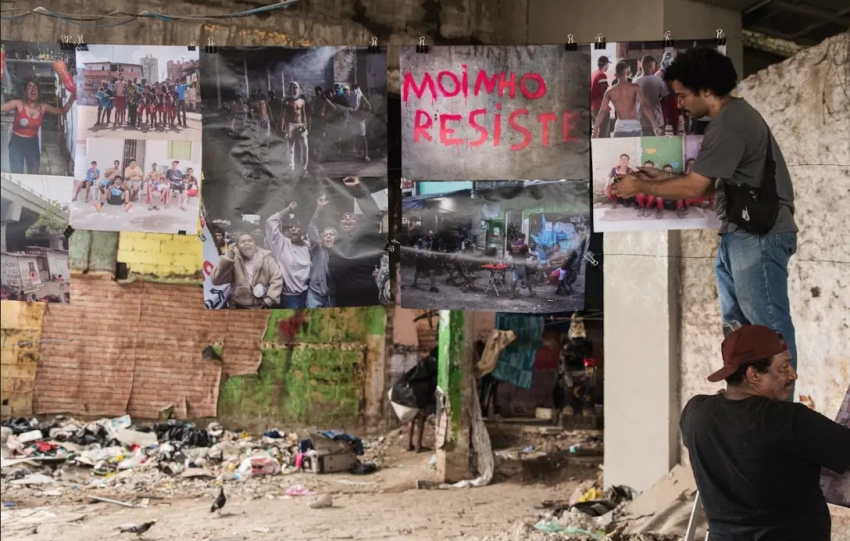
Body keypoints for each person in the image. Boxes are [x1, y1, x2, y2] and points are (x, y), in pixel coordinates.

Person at [611, 47, 799, 378]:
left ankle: (778, 417)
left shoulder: (730, 123)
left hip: (758, 236)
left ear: (707, 90)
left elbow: (695, 188)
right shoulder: (731, 120)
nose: (679, 103)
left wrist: (639, 187)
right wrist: (663, 178)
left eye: (682, 95)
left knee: (769, 332)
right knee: (741, 333)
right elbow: (714, 183)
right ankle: (749, 402)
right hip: (741, 234)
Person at [681, 324, 850, 541]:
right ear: (754, 375)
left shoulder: (695, 413)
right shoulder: (787, 420)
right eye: (784, 367)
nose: (794, 375)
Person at [328, 177, 384, 307]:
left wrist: (359, 189)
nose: (347, 219)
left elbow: (373, 216)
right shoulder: (335, 243)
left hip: (364, 297)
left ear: (359, 225)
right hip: (341, 298)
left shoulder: (363, 239)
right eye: (344, 218)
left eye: (351, 218)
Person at [1, 77, 76, 174]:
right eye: (30, 87)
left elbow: (62, 111)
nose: (33, 89)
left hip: (32, 143)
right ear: (25, 92)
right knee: (16, 173)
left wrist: (71, 100)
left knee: (33, 173)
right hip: (16, 143)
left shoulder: (43, 107)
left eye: (36, 88)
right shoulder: (18, 104)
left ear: (38, 92)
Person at [210, 233, 283, 309]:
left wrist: (268, 301)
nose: (247, 243)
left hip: (264, 306)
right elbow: (216, 280)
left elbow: (277, 279)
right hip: (240, 307)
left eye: (250, 241)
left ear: (255, 244)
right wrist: (228, 257)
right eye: (243, 242)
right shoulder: (233, 261)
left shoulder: (267, 259)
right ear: (237, 246)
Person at [592, 61, 663, 138]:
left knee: (620, 150)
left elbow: (602, 112)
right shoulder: (635, 88)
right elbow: (645, 106)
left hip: (619, 127)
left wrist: (595, 131)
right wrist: (655, 125)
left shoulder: (609, 91)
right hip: (634, 126)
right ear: (628, 73)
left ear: (615, 75)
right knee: (636, 150)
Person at [266, 202, 311, 309]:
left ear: (302, 231)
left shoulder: (306, 246)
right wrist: (288, 209)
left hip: (306, 293)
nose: (293, 229)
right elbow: (270, 221)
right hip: (290, 297)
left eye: (297, 227)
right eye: (290, 227)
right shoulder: (282, 244)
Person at [306, 194, 336, 308]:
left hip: (331, 295)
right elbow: (312, 229)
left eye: (331, 235)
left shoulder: (340, 254)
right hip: (315, 294)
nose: (328, 237)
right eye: (325, 235)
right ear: (322, 238)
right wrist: (319, 208)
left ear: (335, 238)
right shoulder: (318, 249)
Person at [634, 55, 668, 136]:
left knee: (644, 146)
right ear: (650, 66)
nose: (654, 67)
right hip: (657, 119)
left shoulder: (635, 81)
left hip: (640, 120)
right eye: (654, 65)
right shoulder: (658, 80)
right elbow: (665, 97)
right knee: (659, 145)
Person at [282, 82, 309, 173]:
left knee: (304, 147)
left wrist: (305, 125)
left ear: (298, 89)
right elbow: (283, 116)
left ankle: (303, 169)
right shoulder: (286, 101)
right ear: (289, 90)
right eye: (292, 88)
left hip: (301, 126)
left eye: (296, 87)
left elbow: (304, 114)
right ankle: (291, 169)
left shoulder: (302, 101)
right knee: (290, 148)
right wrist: (283, 129)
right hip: (290, 126)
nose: (294, 90)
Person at [349, 84, 372, 162]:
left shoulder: (361, 97)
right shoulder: (352, 96)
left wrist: (364, 116)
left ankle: (366, 155)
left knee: (363, 137)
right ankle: (362, 153)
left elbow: (369, 106)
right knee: (358, 137)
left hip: (360, 120)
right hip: (354, 119)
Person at [590, 56, 611, 139]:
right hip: (601, 107)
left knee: (597, 132)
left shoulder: (594, 74)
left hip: (593, 107)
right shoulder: (602, 75)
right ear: (606, 64)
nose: (608, 66)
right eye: (608, 64)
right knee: (604, 134)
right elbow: (604, 93)